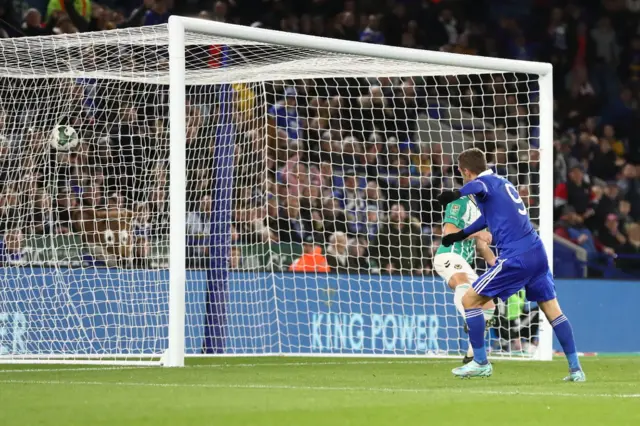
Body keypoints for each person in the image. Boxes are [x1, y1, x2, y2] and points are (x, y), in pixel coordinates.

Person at [438, 148, 585, 381]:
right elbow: (486, 219)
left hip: (517, 258)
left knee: (469, 300)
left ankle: (479, 362)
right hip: (537, 252)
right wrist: (458, 236)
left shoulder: (484, 183)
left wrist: (456, 193)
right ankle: (576, 369)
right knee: (552, 310)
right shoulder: (503, 182)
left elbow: (477, 186)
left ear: (464, 171)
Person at [433, 194, 497, 364]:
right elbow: (449, 231)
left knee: (489, 305)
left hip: (465, 264)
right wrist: (477, 233)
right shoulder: (459, 203)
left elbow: (482, 247)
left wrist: (499, 266)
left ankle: (472, 355)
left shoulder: (484, 213)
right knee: (462, 283)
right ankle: (471, 320)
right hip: (449, 254)